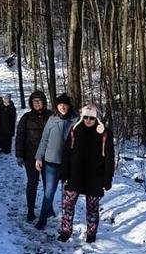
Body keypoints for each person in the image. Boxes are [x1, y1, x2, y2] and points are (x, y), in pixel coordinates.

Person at [58, 104, 114, 243]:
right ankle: (65, 231)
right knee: (67, 205)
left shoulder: (105, 133)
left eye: (92, 118)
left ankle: (91, 234)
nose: (88, 120)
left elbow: (109, 158)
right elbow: (66, 153)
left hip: (95, 177)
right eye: (86, 117)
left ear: (97, 119)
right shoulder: (75, 130)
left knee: (92, 208)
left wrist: (107, 178)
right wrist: (64, 172)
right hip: (75, 175)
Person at [34, 94, 75, 230]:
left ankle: (66, 224)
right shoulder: (52, 120)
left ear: (69, 106)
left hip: (68, 164)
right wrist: (39, 157)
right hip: (51, 162)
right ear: (57, 106)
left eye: (65, 104)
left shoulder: (75, 121)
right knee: (49, 191)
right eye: (60, 104)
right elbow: (44, 140)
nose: (62, 107)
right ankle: (42, 219)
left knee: (67, 195)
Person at [15, 90, 52, 221]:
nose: (36, 103)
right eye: (34, 101)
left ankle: (47, 209)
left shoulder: (51, 116)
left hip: (49, 155)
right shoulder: (26, 117)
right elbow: (20, 136)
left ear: (44, 101)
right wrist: (19, 155)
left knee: (49, 185)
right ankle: (30, 210)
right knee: (32, 183)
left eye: (39, 100)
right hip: (30, 155)